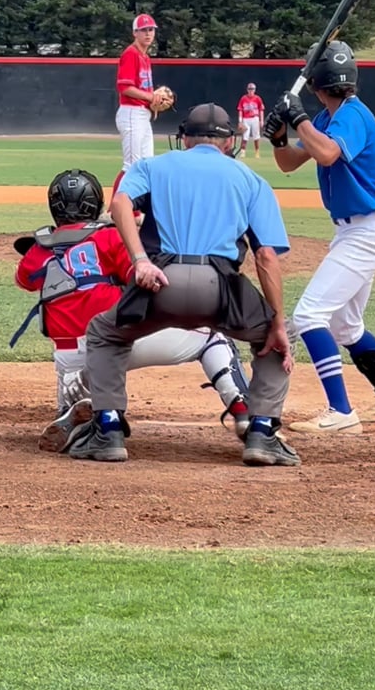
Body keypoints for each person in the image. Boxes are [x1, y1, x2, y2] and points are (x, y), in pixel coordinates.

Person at [62, 104, 301, 467]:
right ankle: (262, 432)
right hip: (220, 288)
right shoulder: (251, 179)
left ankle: (108, 430)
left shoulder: (153, 166)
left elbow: (120, 204)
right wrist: (278, 323)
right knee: (276, 336)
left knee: (103, 333)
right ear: (229, 142)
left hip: (160, 284)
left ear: (185, 139)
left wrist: (140, 259)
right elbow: (266, 257)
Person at [12, 167, 251, 451]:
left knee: (75, 395)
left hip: (66, 357)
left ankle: (88, 409)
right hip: (112, 345)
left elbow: (24, 280)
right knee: (212, 336)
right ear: (95, 203)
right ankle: (245, 412)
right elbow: (141, 279)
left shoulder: (38, 250)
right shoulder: (110, 237)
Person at [263, 40, 375, 434]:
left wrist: (298, 119)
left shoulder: (348, 117)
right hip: (355, 232)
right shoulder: (332, 117)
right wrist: (280, 136)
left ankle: (341, 412)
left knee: (309, 315)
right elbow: (289, 163)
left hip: (365, 232)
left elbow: (328, 154)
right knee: (346, 327)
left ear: (315, 83)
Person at [114, 14, 168, 190]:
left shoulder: (145, 57)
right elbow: (125, 88)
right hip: (131, 113)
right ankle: (116, 207)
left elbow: (143, 91)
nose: (148, 33)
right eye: (143, 30)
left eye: (151, 29)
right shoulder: (131, 54)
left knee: (146, 164)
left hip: (142, 114)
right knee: (132, 166)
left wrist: (153, 104)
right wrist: (151, 97)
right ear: (134, 33)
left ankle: (135, 210)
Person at [237, 82, 265, 159]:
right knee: (245, 136)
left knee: (256, 136)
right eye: (249, 89)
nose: (251, 90)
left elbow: (261, 110)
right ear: (247, 89)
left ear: (255, 90)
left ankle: (257, 152)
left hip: (255, 118)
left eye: (252, 89)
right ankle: (243, 152)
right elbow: (240, 110)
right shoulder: (243, 98)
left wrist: (261, 120)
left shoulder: (258, 98)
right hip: (246, 119)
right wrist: (240, 121)